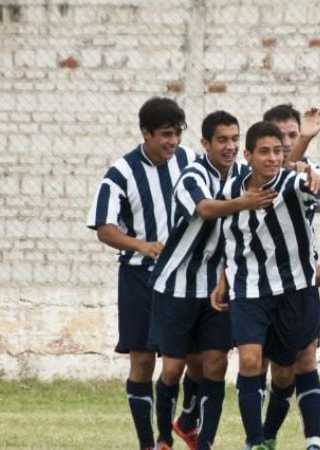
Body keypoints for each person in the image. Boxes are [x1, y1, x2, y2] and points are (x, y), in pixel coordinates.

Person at [148, 111, 277, 450]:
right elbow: (204, 209)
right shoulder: (192, 174)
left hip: (218, 287)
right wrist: (241, 202)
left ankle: (204, 442)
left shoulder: (245, 176)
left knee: (216, 364)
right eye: (222, 140)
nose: (230, 146)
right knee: (175, 369)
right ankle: (163, 437)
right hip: (176, 284)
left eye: (235, 139)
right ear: (206, 143)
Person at [215, 121, 320, 450]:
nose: (272, 158)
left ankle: (283, 437)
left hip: (295, 290)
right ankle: (254, 442)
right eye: (264, 152)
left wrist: (319, 179)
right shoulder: (230, 191)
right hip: (249, 291)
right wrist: (223, 278)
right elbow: (231, 240)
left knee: (289, 372)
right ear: (248, 156)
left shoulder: (294, 183)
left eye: (278, 152)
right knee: (251, 361)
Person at [86, 97, 196, 450]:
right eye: (165, 134)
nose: (173, 142)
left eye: (177, 134)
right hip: (139, 278)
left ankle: (178, 427)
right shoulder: (122, 172)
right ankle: (150, 443)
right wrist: (140, 245)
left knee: (188, 360)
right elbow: (104, 227)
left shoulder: (190, 160)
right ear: (145, 133)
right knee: (144, 361)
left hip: (183, 277)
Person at [258, 104, 320, 450]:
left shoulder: (310, 174)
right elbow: (279, 174)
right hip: (262, 289)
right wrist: (305, 140)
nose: (286, 142)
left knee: (306, 359)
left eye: (292, 134)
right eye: (280, 135)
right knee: (279, 373)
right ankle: (266, 435)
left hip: (301, 287)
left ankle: (313, 442)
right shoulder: (255, 174)